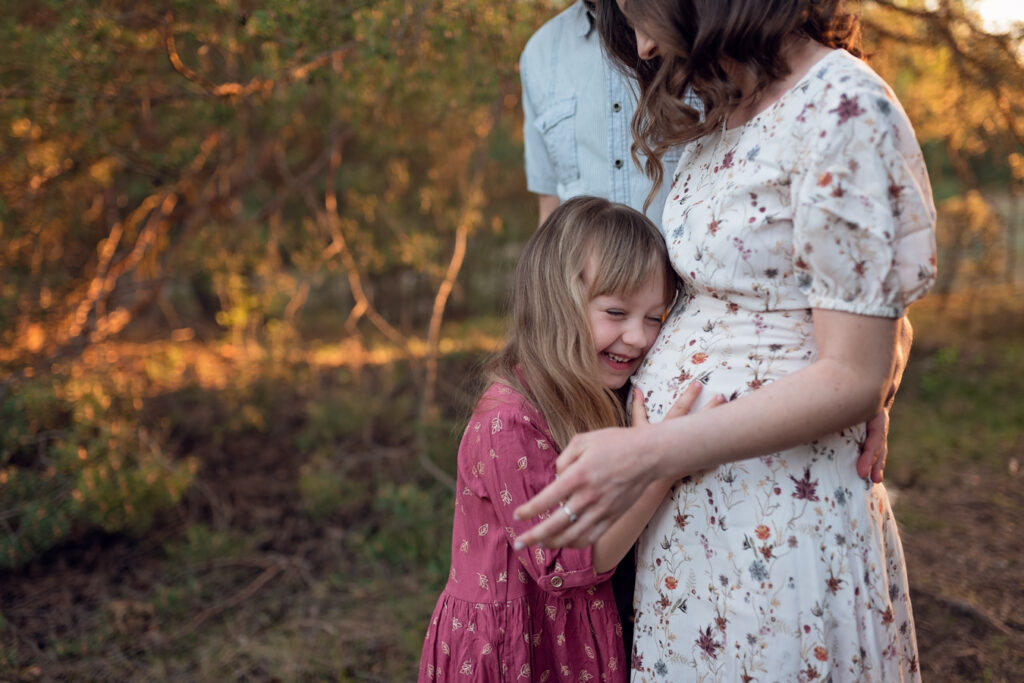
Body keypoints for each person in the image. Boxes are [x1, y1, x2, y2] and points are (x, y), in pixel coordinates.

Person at [513, 1, 937, 679]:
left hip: (780, 511)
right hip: (697, 522)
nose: (643, 50)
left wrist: (651, 450)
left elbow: (855, 368)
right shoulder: (723, 115)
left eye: (642, 15)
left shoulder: (847, 106)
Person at [418, 196, 723, 682]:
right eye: (617, 311)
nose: (639, 338)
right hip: (514, 654)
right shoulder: (509, 418)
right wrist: (660, 467)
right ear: (556, 301)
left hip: (569, 640)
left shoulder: (597, 395)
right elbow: (565, 563)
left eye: (655, 318)